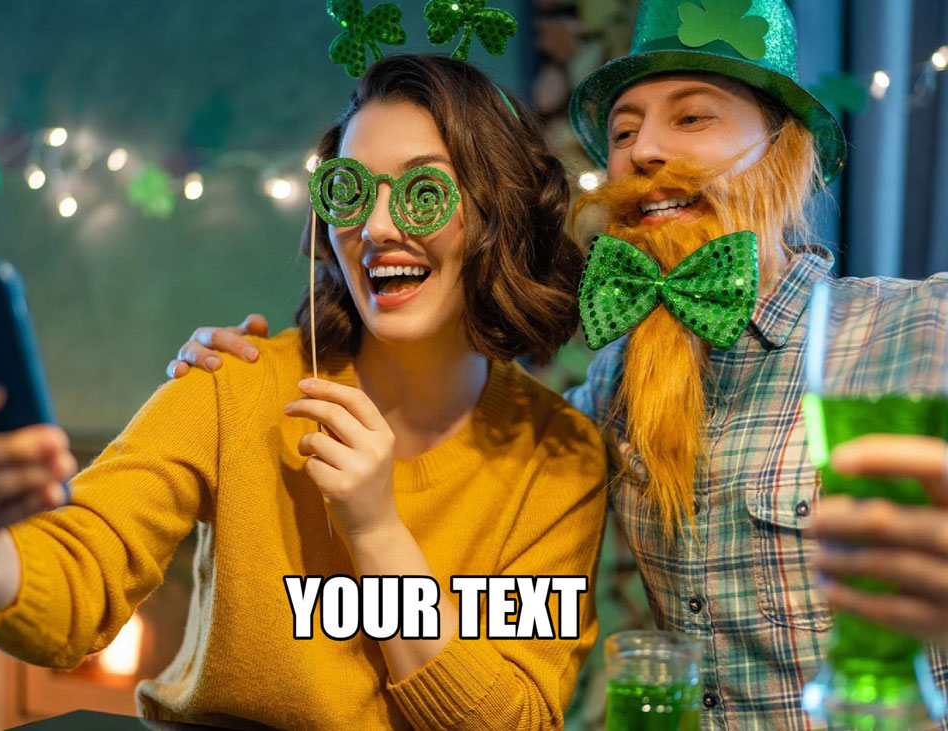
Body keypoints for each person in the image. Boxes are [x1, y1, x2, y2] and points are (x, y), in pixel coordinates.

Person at [171, 1, 948, 728]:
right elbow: (480, 442)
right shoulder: (609, 393)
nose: (644, 150)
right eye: (623, 130)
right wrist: (236, 374)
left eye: (692, 116)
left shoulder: (920, 327)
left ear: (785, 150)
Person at [0, 55, 608, 729]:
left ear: (500, 215)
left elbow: (515, 720)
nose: (375, 229)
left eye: (423, 192)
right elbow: (77, 581)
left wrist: (377, 531)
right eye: (349, 191)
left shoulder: (558, 456)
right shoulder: (237, 383)